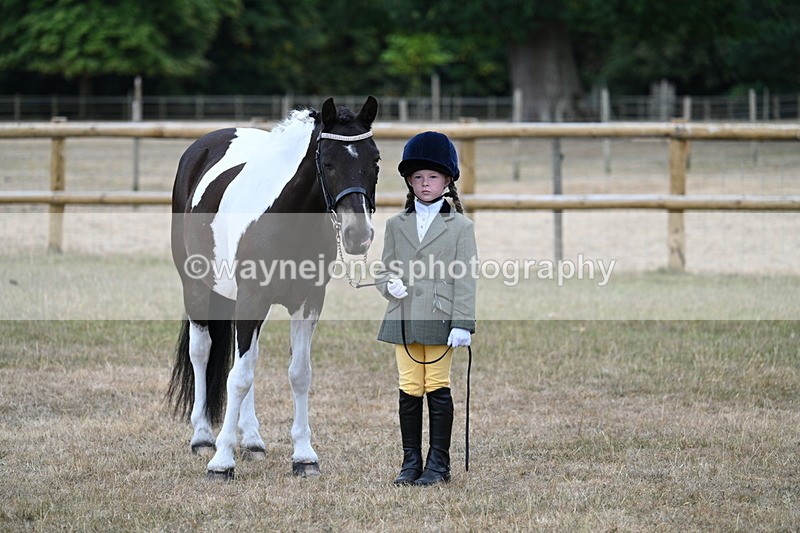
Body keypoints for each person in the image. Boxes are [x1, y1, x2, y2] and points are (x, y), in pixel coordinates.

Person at [375, 131, 478, 486]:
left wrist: (462, 322)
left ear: (447, 180)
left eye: (432, 177)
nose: (425, 183)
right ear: (408, 181)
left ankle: (438, 464)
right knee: (408, 387)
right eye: (417, 177)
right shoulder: (394, 224)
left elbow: (465, 278)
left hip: (440, 317)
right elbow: (384, 268)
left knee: (435, 384)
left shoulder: (461, 227)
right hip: (402, 318)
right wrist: (388, 284)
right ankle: (410, 462)